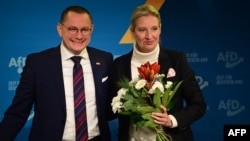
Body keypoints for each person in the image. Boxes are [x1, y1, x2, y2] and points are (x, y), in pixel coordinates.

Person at [0, 5, 114, 141]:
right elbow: (18, 112)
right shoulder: (38, 63)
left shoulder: (104, 59)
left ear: (92, 30)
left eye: (84, 30)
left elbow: (112, 105)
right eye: (72, 29)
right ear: (60, 29)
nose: (79, 35)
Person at [112, 4, 207, 141]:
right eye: (142, 30)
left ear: (160, 29)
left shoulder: (177, 60)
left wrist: (172, 120)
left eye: (154, 29)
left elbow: (198, 105)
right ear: (132, 32)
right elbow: (111, 107)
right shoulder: (119, 64)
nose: (149, 36)